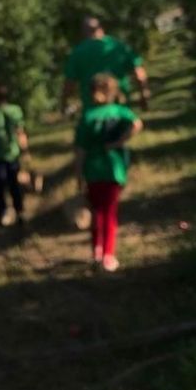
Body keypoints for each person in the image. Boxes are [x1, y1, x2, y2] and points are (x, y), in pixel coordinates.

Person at [74, 73, 143, 271]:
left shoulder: (87, 117)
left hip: (92, 171)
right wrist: (119, 142)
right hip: (114, 170)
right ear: (112, 92)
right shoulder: (120, 111)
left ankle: (96, 250)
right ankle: (108, 255)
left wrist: (78, 175)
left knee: (96, 211)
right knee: (109, 213)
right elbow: (137, 124)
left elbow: (80, 150)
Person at [61, 16, 150, 112]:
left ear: (83, 32)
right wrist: (143, 94)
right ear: (101, 29)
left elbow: (69, 84)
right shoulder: (118, 47)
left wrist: (64, 103)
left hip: (92, 109)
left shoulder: (78, 52)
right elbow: (139, 74)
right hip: (120, 105)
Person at [0, 83, 28, 226]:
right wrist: (25, 151)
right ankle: (18, 211)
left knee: (0, 185)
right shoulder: (15, 111)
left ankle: (3, 212)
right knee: (13, 184)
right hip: (12, 154)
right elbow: (20, 132)